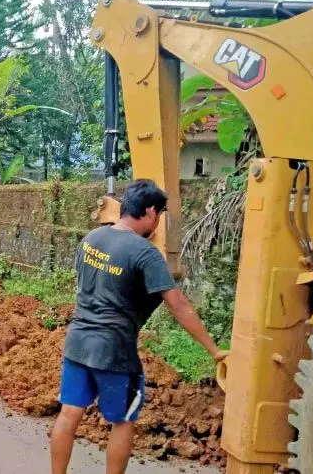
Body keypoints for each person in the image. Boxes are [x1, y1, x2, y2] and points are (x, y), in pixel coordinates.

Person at [50, 179, 227, 474]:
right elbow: (178, 304)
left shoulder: (91, 239)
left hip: (77, 342)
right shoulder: (144, 253)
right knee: (123, 421)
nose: (157, 221)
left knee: (69, 415)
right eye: (158, 214)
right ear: (149, 211)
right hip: (114, 351)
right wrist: (213, 350)